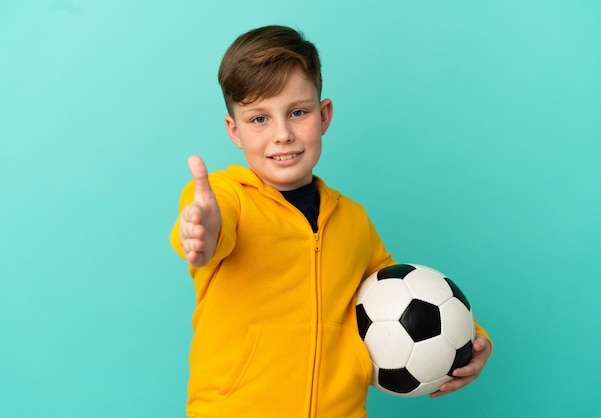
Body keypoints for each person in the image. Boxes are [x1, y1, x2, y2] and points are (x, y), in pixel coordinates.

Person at [170, 25, 492, 418]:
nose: (282, 134)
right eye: (259, 119)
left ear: (323, 116)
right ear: (233, 131)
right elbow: (209, 226)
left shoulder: (352, 220)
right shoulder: (224, 199)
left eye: (298, 112)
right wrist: (201, 231)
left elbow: (399, 295)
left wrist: (470, 338)